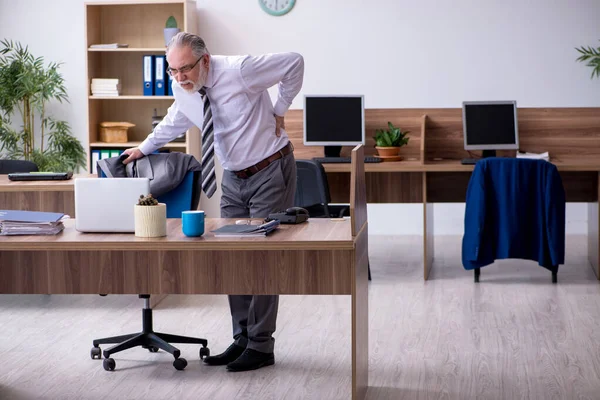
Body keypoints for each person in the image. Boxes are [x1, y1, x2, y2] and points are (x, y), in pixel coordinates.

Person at [122, 32, 304, 372]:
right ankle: (242, 339)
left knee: (262, 258)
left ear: (205, 60)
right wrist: (143, 148)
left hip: (269, 168)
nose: (179, 77)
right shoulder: (183, 86)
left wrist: (280, 109)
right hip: (233, 177)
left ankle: (262, 346)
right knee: (232, 256)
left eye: (185, 69)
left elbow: (294, 61)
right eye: (172, 71)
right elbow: (178, 116)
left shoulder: (240, 70)